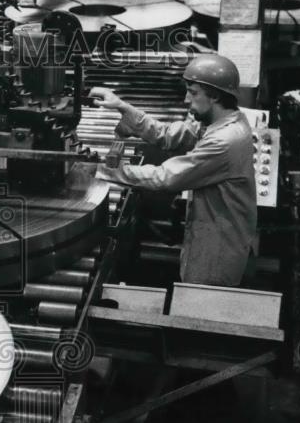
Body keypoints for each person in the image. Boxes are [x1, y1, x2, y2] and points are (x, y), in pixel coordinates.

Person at [89, 54, 257, 287]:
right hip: (208, 230)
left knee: (199, 307)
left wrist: (99, 169)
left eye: (193, 92)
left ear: (215, 95)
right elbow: (169, 135)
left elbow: (166, 178)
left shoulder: (225, 140)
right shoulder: (221, 121)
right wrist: (123, 108)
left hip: (217, 249)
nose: (186, 98)